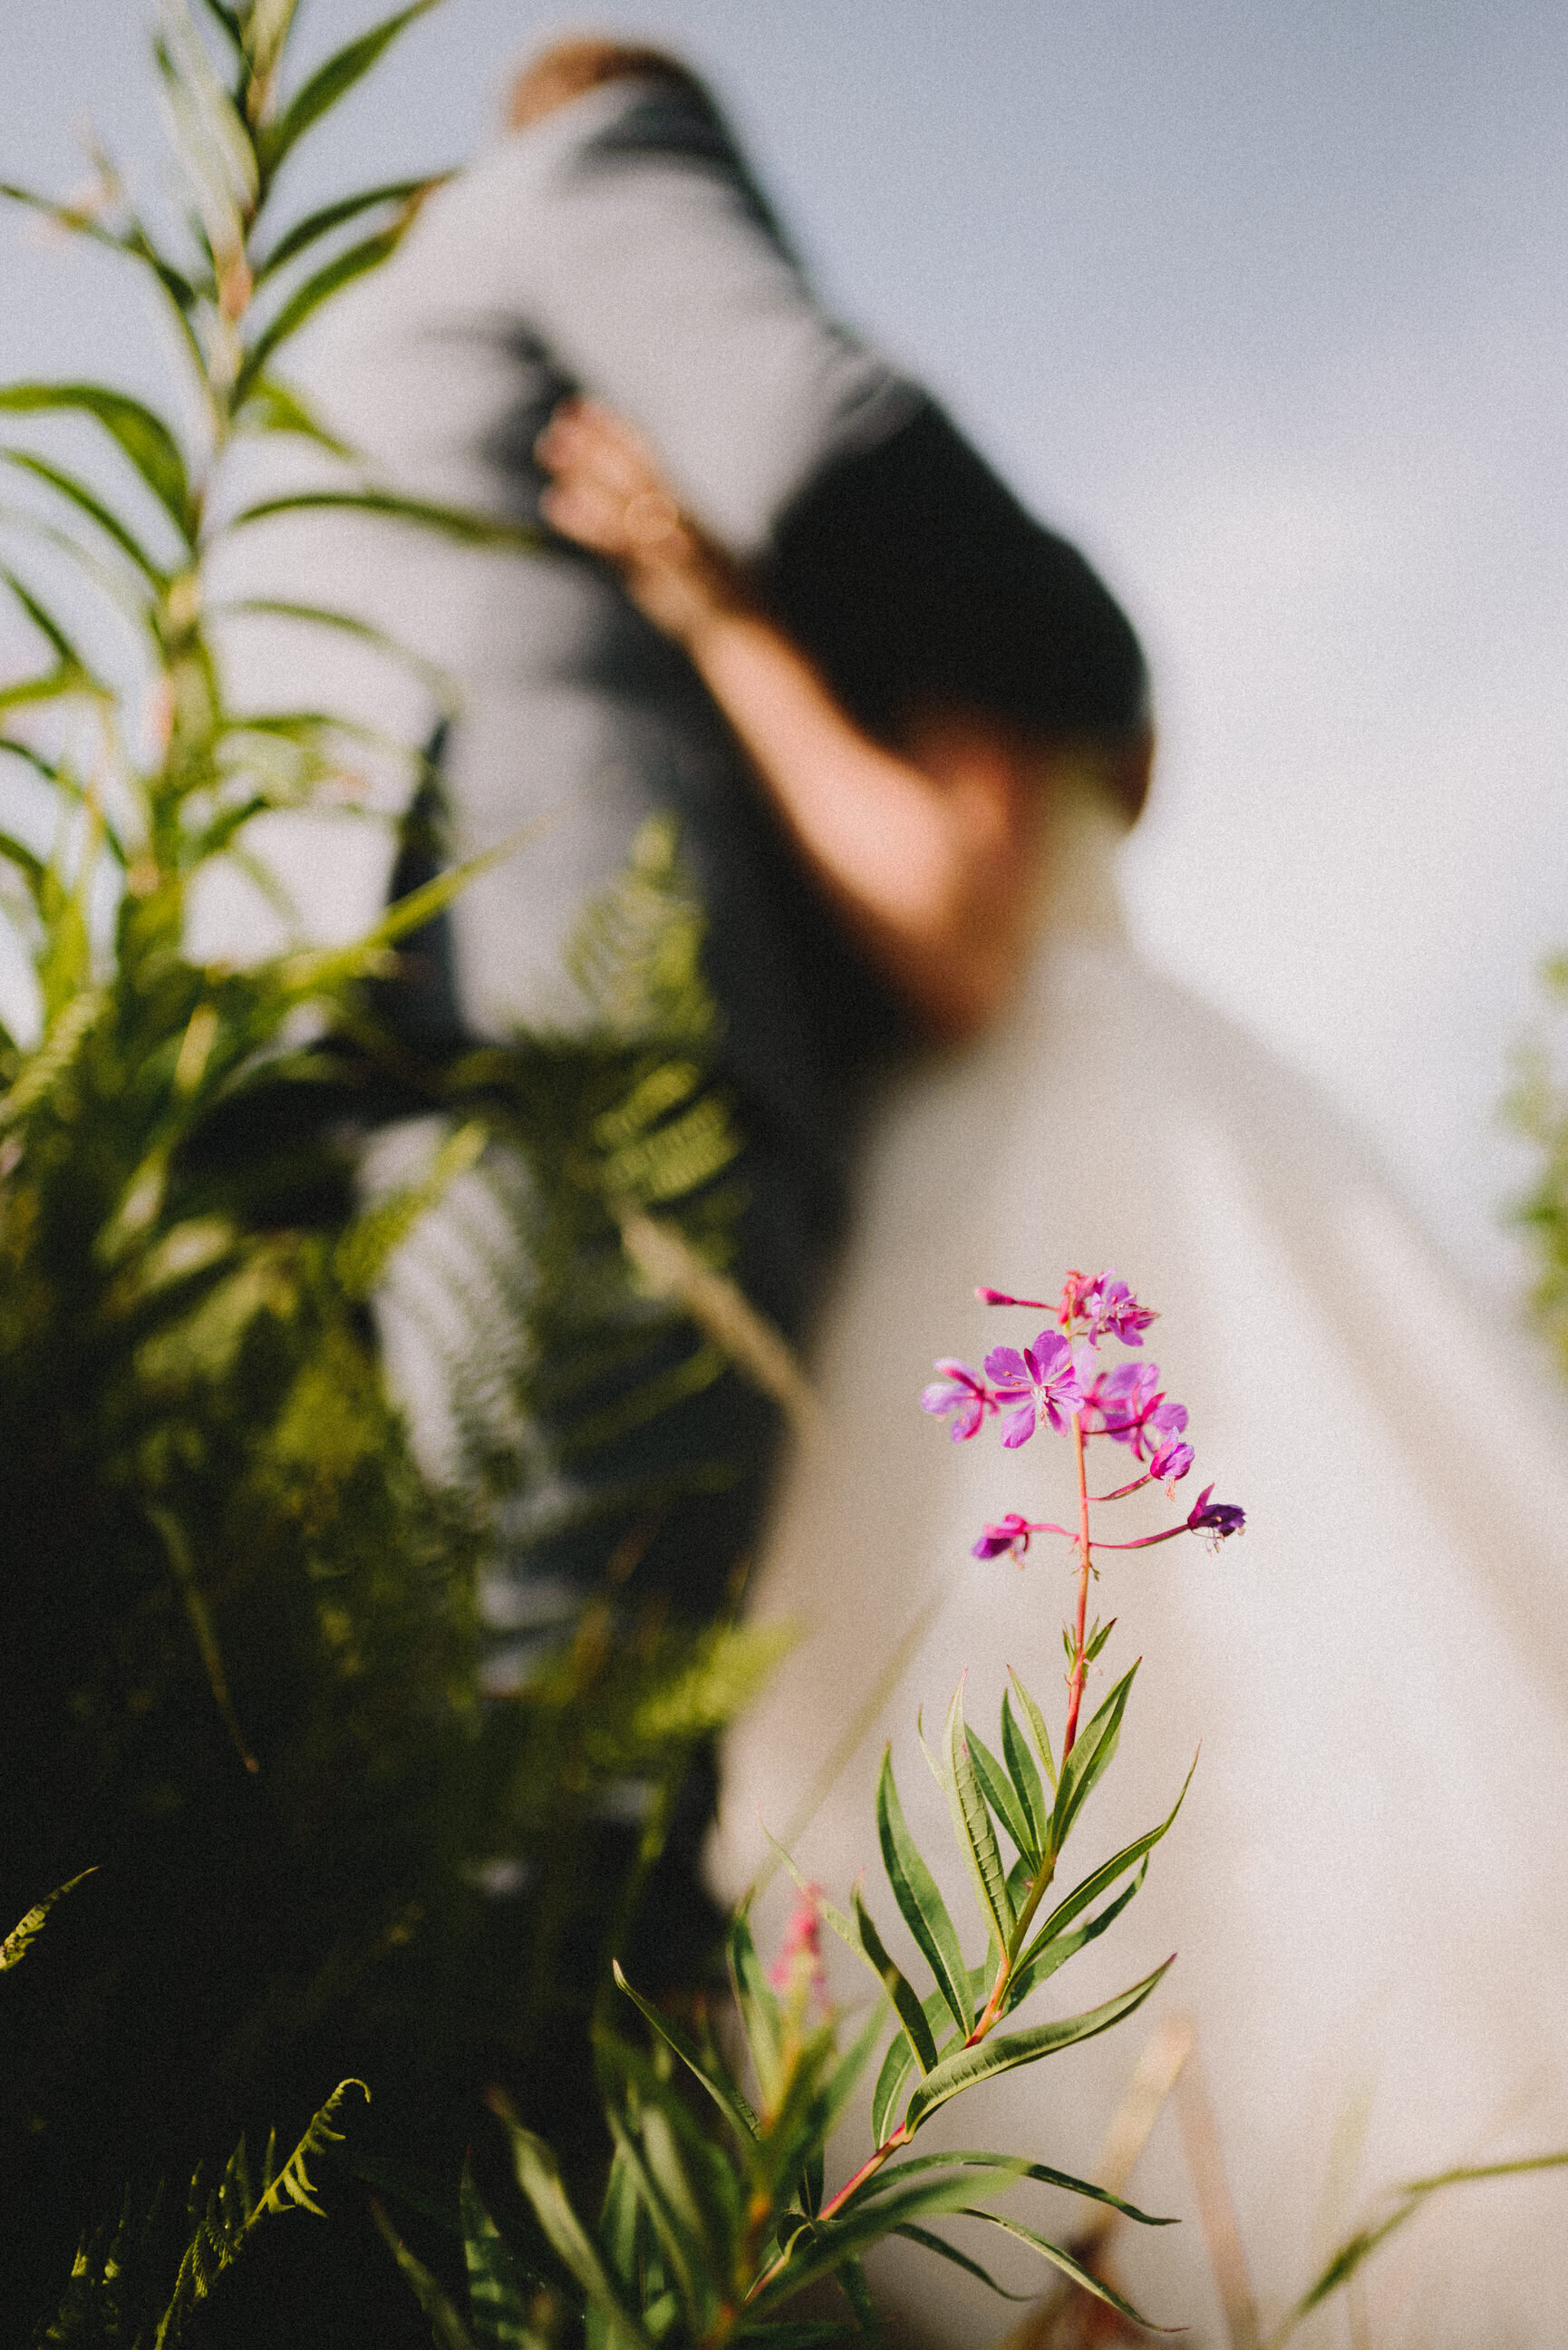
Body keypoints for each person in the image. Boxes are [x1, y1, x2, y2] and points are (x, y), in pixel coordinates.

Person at [537, 402, 1568, 2345]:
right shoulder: (1071, 664)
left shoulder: (937, 601)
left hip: (1023, 1157)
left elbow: (951, 922)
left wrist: (717, 623)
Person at [257, 36, 1148, 1629]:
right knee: (574, 1688)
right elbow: (825, 434)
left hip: (299, 1005)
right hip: (565, 1009)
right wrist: (1098, 672)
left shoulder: (344, 360)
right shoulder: (604, 163)